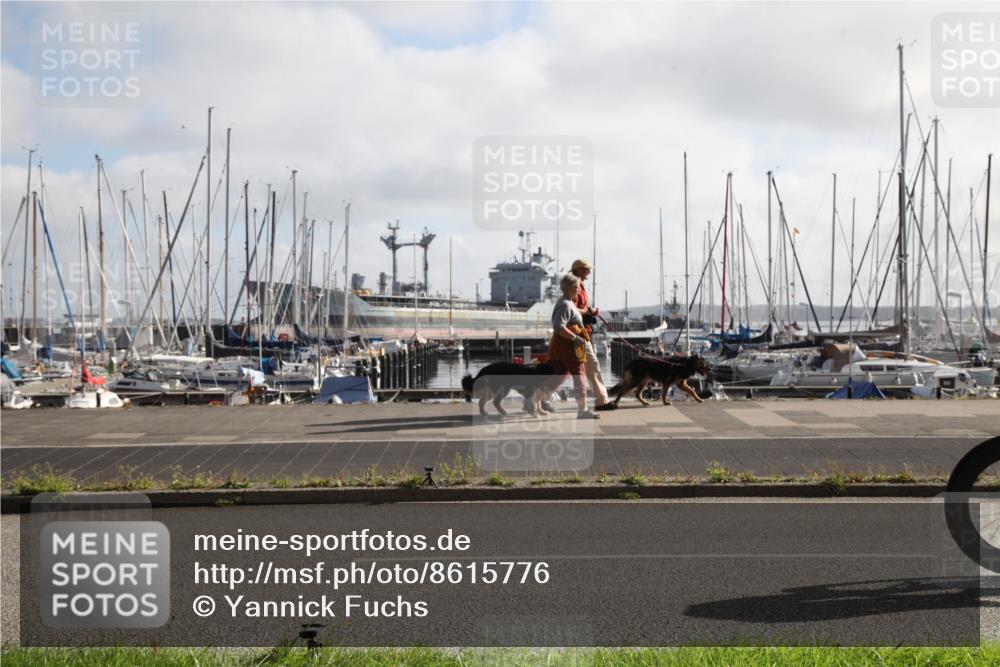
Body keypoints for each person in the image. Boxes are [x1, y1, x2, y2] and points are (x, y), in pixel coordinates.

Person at [546, 273, 599, 419]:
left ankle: (536, 400)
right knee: (579, 375)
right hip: (569, 346)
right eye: (576, 287)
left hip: (562, 346)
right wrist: (576, 338)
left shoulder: (566, 302)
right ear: (568, 288)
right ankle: (583, 410)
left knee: (559, 376)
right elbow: (558, 326)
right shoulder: (565, 304)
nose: (579, 290)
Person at [570, 258, 616, 411]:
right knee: (592, 366)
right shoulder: (575, 285)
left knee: (568, 369)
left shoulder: (580, 285)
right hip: (578, 333)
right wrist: (590, 312)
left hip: (581, 332)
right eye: (586, 269)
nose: (589, 272)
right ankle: (601, 401)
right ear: (578, 270)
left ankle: (539, 397)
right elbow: (573, 308)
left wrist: (589, 311)